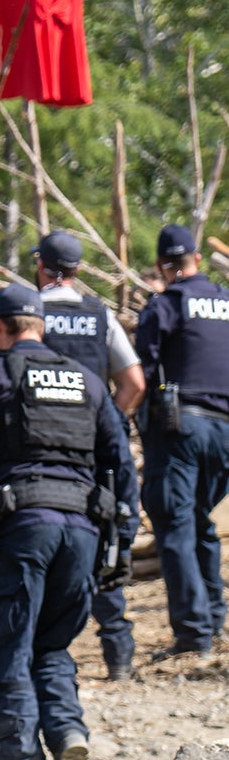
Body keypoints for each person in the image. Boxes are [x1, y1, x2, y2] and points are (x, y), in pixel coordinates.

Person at [0, 284, 134, 760]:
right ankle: (67, 731)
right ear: (40, 325)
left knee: (6, 653)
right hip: (84, 534)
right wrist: (122, 547)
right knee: (50, 647)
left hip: (23, 530)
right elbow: (121, 464)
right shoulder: (89, 382)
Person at [32, 230, 146, 680]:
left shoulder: (26, 312)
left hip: (36, 452)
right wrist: (103, 424)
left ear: (41, 266)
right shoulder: (99, 316)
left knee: (36, 542)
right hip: (91, 452)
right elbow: (133, 382)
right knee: (105, 540)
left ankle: (40, 652)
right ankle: (118, 652)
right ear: (78, 270)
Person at [134, 224, 229, 657]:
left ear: (160, 265)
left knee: (174, 526)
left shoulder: (166, 305)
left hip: (182, 428)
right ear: (197, 258)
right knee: (200, 521)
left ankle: (193, 634)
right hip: (225, 429)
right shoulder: (225, 302)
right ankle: (214, 621)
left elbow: (144, 373)